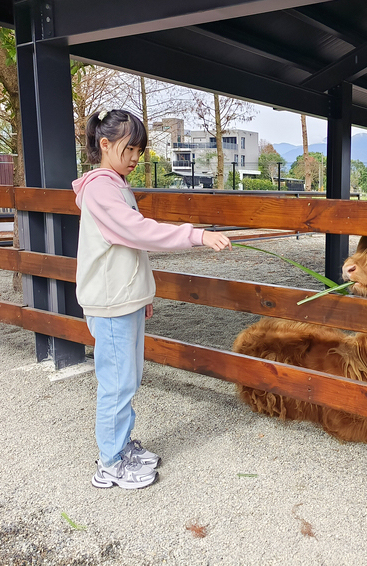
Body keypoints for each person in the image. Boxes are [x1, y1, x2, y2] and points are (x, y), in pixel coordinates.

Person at [72, 108, 231, 489]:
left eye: (138, 151)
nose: (134, 158)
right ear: (105, 144)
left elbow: (127, 249)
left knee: (127, 379)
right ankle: (110, 463)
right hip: (111, 303)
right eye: (128, 149)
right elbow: (139, 232)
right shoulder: (101, 189)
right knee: (117, 383)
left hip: (123, 299)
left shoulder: (116, 185)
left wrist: (142, 293)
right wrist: (197, 235)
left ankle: (120, 447)